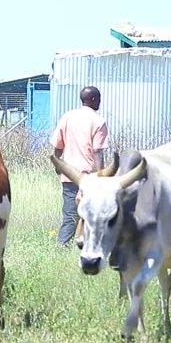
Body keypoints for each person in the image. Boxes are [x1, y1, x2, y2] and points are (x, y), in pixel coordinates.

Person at [50, 86, 108, 247]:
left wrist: (57, 163)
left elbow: (58, 146)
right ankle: (92, 247)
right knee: (92, 215)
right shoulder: (98, 121)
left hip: (69, 175)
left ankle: (62, 246)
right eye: (99, 100)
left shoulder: (68, 117)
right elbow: (98, 153)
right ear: (94, 100)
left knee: (70, 216)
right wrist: (101, 178)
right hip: (89, 179)